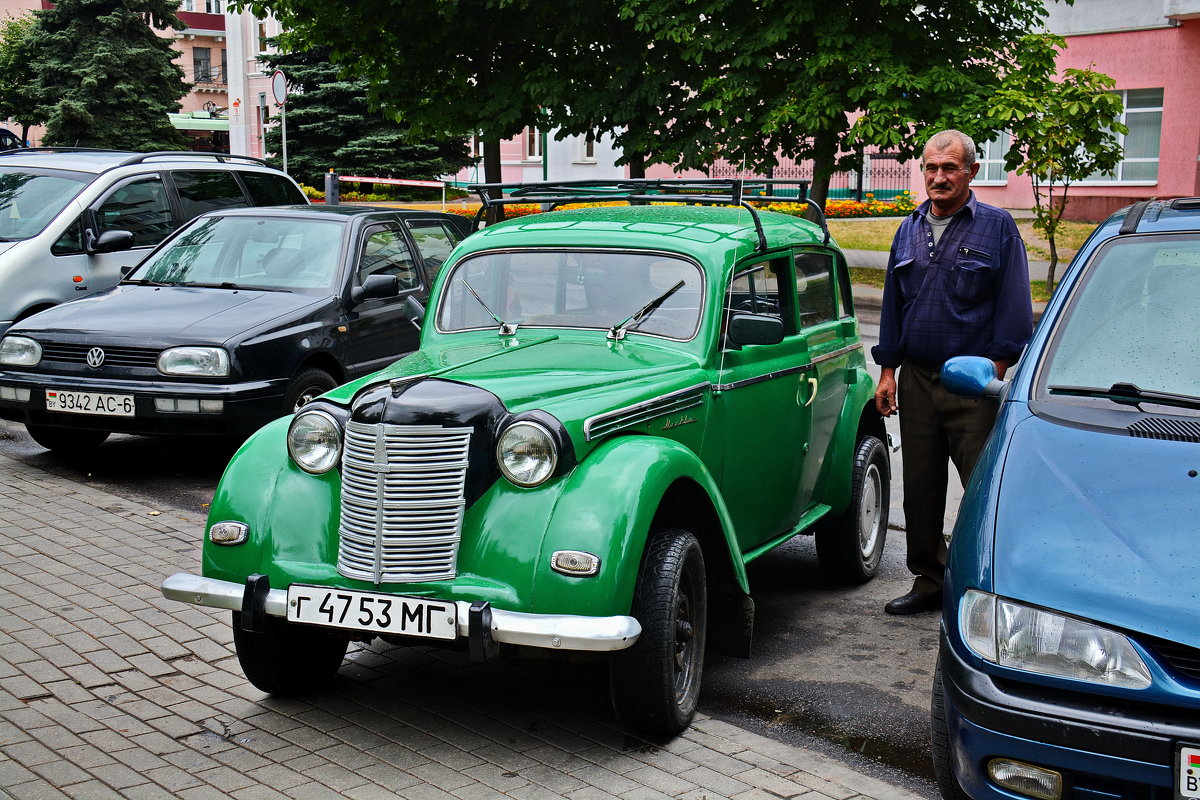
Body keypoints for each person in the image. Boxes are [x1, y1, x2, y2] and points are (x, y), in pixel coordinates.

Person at [872, 129, 1033, 615]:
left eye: (949, 169)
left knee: (983, 491)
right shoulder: (909, 228)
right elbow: (893, 307)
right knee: (919, 490)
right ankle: (929, 581)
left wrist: (993, 374)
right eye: (931, 168)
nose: (938, 178)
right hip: (918, 380)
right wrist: (887, 372)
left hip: (974, 384)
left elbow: (1013, 310)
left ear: (971, 173)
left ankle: (986, 588)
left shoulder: (997, 227)